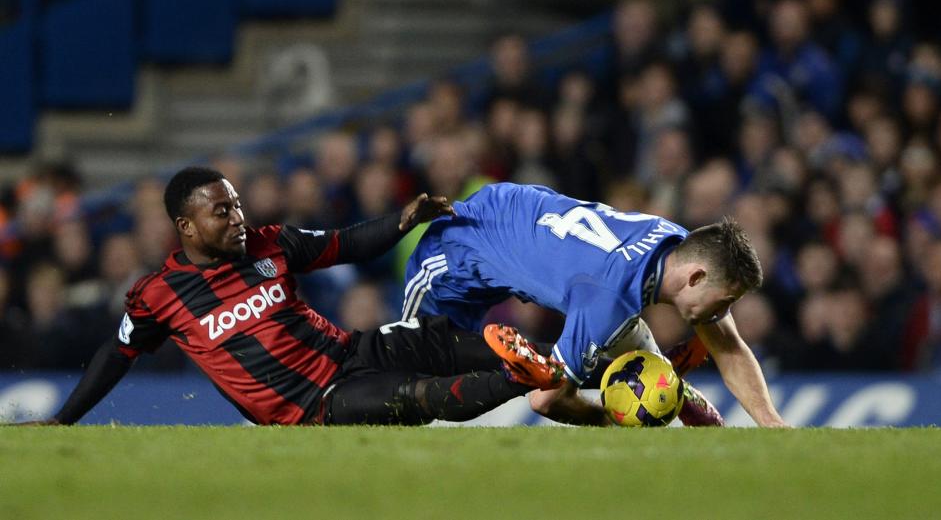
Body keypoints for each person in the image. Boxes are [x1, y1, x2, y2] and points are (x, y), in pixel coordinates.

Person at [19, 167, 562, 426]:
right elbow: (118, 355)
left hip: (352, 353)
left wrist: (402, 221)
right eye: (221, 211)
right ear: (185, 225)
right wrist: (64, 419)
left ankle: (566, 361)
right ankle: (524, 377)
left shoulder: (269, 243)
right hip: (315, 407)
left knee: (439, 340)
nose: (237, 217)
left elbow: (345, 243)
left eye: (235, 205)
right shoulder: (158, 295)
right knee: (417, 396)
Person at [402, 182, 787, 427]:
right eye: (726, 300)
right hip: (461, 250)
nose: (723, 312)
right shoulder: (609, 298)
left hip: (525, 218)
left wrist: (772, 424)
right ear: (697, 277)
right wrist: (612, 419)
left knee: (652, 368)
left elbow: (730, 348)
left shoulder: (679, 243)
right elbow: (545, 400)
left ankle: (683, 404)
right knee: (409, 381)